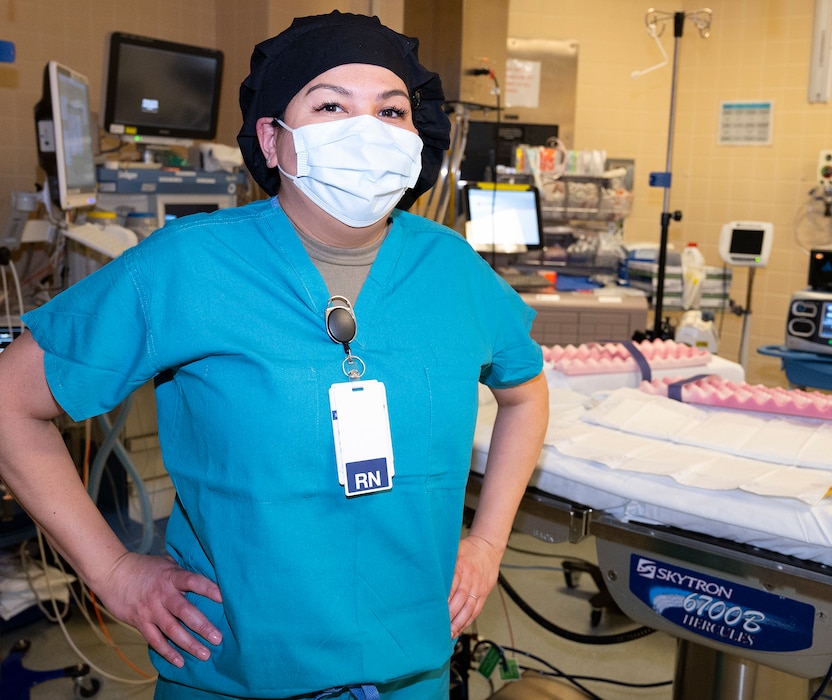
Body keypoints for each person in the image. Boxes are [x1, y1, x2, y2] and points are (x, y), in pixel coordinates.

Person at [0, 12, 548, 699]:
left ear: (417, 137)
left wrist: (489, 544)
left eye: (391, 109)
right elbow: (9, 403)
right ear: (272, 138)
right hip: (236, 671)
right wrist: (112, 571)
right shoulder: (188, 266)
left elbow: (526, 391)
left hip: (415, 666)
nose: (367, 128)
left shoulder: (452, 271)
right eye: (330, 106)